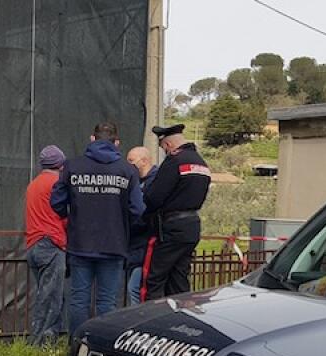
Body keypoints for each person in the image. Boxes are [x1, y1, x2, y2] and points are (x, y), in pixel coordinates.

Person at [50, 122, 145, 336]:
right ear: (117, 143)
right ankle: (100, 350)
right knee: (107, 303)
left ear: (92, 139)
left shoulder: (72, 167)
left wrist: (72, 217)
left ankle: (76, 350)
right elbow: (138, 209)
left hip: (80, 244)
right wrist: (121, 225)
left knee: (79, 300)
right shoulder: (127, 170)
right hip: (114, 245)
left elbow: (56, 201)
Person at [141, 124, 212, 300]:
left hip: (171, 229)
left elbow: (154, 197)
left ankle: (152, 320)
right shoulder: (201, 162)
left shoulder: (174, 161)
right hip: (191, 227)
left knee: (154, 279)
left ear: (168, 145)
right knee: (179, 280)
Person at [24, 145, 67, 345]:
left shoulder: (34, 184)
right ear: (60, 164)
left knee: (45, 293)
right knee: (51, 297)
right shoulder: (57, 183)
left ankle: (43, 341)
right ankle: (41, 344)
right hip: (51, 244)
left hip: (33, 245)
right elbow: (64, 214)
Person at [125, 146, 158, 306]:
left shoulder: (156, 182)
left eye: (131, 161)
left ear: (144, 161)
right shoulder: (136, 182)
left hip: (147, 245)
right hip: (136, 246)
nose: (128, 165)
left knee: (135, 288)